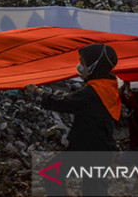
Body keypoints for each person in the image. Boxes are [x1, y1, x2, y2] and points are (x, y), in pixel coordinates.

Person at [26, 44, 121, 196]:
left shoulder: (93, 91)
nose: (80, 66)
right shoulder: (107, 85)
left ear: (95, 66)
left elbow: (66, 103)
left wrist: (39, 92)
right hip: (94, 148)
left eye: (83, 63)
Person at [118, 81, 138, 170]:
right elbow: (123, 99)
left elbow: (133, 104)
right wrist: (123, 88)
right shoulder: (133, 109)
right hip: (136, 143)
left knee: (123, 160)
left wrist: (129, 90)